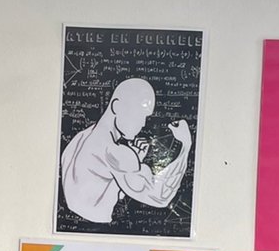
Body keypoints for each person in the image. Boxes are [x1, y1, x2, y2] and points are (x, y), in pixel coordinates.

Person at [60, 77, 192, 224]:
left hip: (72, 222)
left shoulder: (80, 138)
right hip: (100, 228)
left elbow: (98, 188)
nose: (143, 123)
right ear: (116, 106)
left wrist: (135, 161)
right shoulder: (114, 152)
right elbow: (160, 197)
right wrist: (185, 147)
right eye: (140, 114)